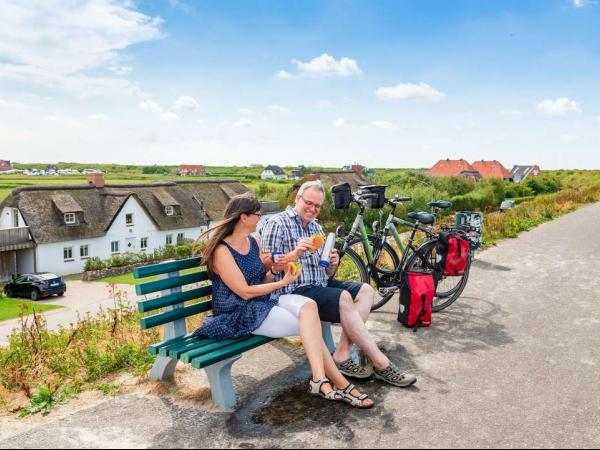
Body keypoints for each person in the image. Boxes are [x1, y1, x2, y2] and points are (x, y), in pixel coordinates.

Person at [192, 192, 374, 408]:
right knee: (310, 326)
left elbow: (261, 277)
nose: (260, 219)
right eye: (257, 215)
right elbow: (244, 292)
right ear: (243, 217)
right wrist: (282, 282)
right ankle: (339, 385)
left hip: (260, 304)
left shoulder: (252, 242)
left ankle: (320, 380)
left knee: (309, 306)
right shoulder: (222, 250)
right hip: (239, 313)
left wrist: (278, 270)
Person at [260, 180, 417, 388]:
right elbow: (265, 263)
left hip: (320, 284)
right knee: (343, 297)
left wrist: (332, 264)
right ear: (298, 198)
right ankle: (381, 363)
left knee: (366, 290)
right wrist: (293, 254)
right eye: (309, 203)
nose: (313, 209)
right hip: (294, 290)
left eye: (317, 206)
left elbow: (326, 272)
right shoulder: (278, 223)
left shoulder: (316, 227)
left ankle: (342, 354)